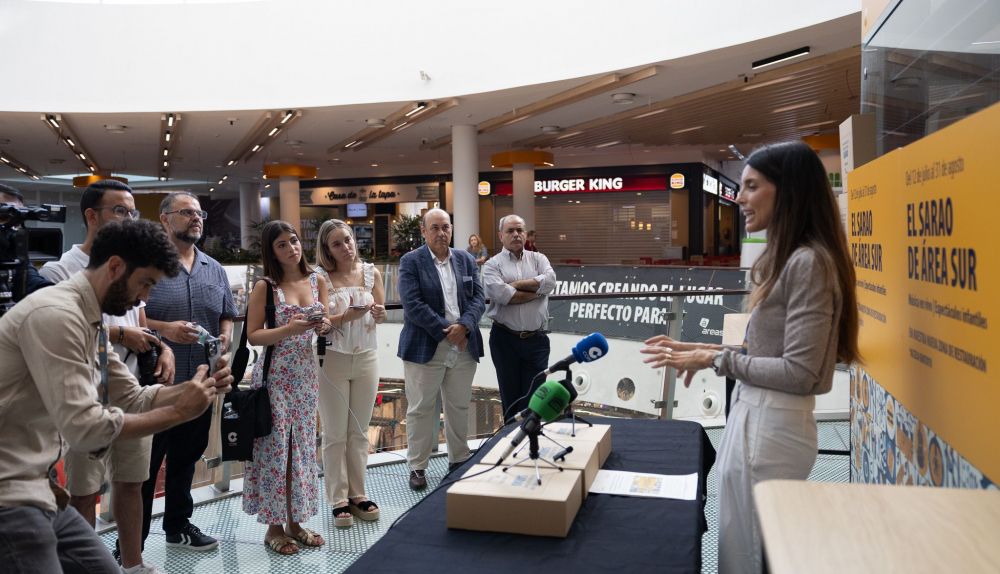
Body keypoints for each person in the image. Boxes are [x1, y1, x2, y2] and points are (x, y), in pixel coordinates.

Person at [640, 141, 860, 574]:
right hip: (760, 420)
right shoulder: (793, 259)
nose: (739, 198)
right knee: (740, 551)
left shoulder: (808, 263)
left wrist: (715, 361)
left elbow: (802, 373)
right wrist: (702, 350)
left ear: (789, 191)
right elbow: (770, 354)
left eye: (752, 186)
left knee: (753, 558)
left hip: (773, 428)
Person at [0, 219, 233, 574]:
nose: (145, 298)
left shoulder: (86, 317)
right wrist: (179, 411)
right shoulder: (57, 315)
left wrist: (194, 390)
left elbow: (132, 397)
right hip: (10, 498)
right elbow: (85, 429)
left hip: (39, 490)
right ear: (114, 267)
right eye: (145, 283)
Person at [38, 180, 174, 574]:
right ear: (91, 216)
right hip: (82, 392)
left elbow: (140, 320)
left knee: (132, 482)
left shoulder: (132, 265)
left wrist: (161, 347)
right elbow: (67, 329)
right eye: (119, 210)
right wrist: (119, 334)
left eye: (132, 211)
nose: (128, 218)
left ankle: (133, 564)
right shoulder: (59, 271)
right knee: (84, 489)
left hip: (130, 383)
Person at [140, 192, 237, 552]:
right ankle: (133, 540)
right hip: (156, 386)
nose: (196, 219)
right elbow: (129, 316)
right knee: (146, 467)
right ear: (164, 219)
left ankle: (178, 527)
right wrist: (164, 328)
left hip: (200, 384)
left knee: (186, 460)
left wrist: (225, 337)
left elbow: (226, 312)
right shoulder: (146, 265)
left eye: (199, 214)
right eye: (186, 213)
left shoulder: (215, 268)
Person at [243, 220, 331, 555]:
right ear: (272, 251)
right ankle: (274, 527)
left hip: (305, 373)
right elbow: (254, 335)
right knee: (277, 447)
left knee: (303, 446)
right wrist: (288, 330)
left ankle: (296, 521)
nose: (291, 248)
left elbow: (323, 323)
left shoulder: (316, 279)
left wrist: (321, 326)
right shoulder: (266, 286)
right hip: (275, 373)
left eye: (293, 241)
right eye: (282, 244)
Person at [397, 208, 485, 490]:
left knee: (458, 405)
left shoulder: (465, 259)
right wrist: (447, 331)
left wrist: (465, 326)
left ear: (451, 229)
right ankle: (418, 467)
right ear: (423, 231)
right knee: (421, 408)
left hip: (463, 344)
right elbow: (412, 304)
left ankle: (458, 460)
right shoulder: (411, 261)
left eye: (445, 227)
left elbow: (478, 298)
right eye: (434, 227)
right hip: (427, 346)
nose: (440, 233)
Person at [314, 219, 387, 527]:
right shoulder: (319, 277)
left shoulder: (372, 273)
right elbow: (320, 323)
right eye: (336, 243)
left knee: (359, 431)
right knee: (334, 433)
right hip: (333, 359)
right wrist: (345, 316)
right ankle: (337, 497)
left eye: (347, 239)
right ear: (326, 250)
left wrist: (380, 313)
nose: (346, 247)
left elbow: (379, 315)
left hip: (367, 357)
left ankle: (358, 492)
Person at [482, 214, 556, 421]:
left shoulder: (539, 259)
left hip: (537, 341)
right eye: (510, 231)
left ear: (526, 234)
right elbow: (503, 296)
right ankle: (510, 446)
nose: (516, 235)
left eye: (520, 230)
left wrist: (515, 284)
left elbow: (550, 282)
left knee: (535, 400)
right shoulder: (491, 265)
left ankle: (531, 445)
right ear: (501, 236)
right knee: (511, 400)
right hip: (505, 341)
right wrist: (537, 290)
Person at [0, 184, 53, 298]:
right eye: (4, 217)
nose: (12, 228)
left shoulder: (13, 256)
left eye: (16, 220)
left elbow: (36, 286)